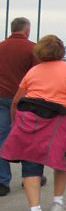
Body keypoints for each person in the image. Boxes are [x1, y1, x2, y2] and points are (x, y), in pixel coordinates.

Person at [1, 34, 66, 211]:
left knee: (31, 164)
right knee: (62, 159)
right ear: (61, 51)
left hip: (29, 120)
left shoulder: (33, 71)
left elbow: (17, 101)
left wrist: (14, 122)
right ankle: (58, 202)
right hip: (59, 121)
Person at [0, 17, 39, 197]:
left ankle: (2, 181)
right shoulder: (32, 48)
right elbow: (39, 76)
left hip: (1, 98)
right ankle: (30, 176)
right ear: (27, 31)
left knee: (2, 137)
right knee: (27, 137)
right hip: (25, 100)